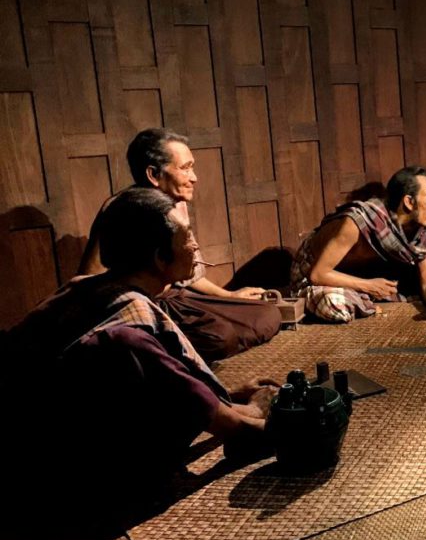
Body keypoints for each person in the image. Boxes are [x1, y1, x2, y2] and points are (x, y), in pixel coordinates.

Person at [2, 188, 279, 512]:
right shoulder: (127, 337)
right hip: (59, 480)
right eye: (188, 236)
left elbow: (160, 385)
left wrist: (226, 396)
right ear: (160, 258)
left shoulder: (83, 287)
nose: (196, 245)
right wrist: (261, 409)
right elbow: (237, 430)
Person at [79, 128, 281, 361]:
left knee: (267, 315)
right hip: (144, 304)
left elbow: (189, 274)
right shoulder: (123, 209)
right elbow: (88, 279)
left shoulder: (177, 204)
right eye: (185, 168)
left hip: (178, 297)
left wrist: (229, 296)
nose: (194, 177)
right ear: (154, 174)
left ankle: (184, 347)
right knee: (220, 337)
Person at [291, 166, 426, 322]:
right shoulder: (355, 223)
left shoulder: (421, 228)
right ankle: (360, 294)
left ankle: (362, 295)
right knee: (334, 304)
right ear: (409, 202)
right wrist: (368, 286)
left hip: (369, 271)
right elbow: (318, 274)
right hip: (316, 272)